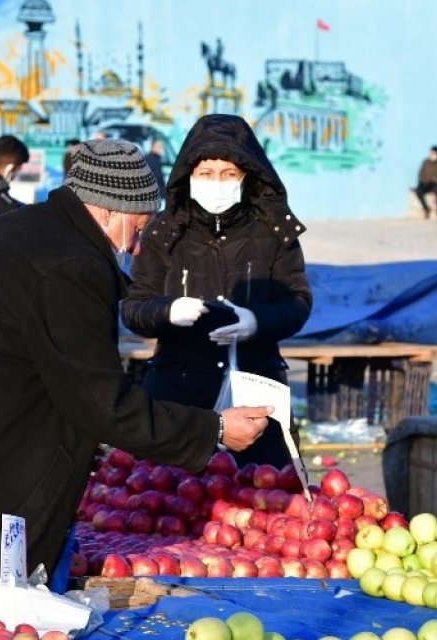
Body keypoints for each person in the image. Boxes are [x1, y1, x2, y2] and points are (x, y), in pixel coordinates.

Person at [0, 139, 272, 607]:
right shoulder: (69, 268)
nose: (136, 244)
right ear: (108, 212)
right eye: (137, 227)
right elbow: (104, 405)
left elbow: (32, 374)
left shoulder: (22, 231)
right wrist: (214, 428)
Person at [121, 114, 313, 468]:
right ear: (188, 176)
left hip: (257, 390)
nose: (217, 183)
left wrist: (257, 321)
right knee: (167, 500)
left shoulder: (273, 229)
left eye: (229, 174)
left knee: (265, 498)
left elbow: (297, 301)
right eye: (206, 174)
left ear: (246, 177)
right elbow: (134, 306)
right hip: (178, 393)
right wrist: (168, 312)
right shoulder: (165, 230)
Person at [414, 146, 437, 219]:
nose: (432, 154)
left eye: (434, 153)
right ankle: (426, 209)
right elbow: (421, 172)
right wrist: (422, 180)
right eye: (431, 153)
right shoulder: (426, 161)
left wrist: (434, 179)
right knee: (418, 191)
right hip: (426, 183)